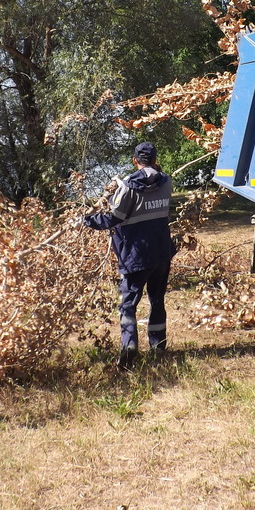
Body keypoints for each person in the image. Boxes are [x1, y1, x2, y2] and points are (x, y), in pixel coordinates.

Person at [84, 141, 176, 370]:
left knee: (128, 305)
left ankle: (129, 346)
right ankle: (158, 346)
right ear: (155, 159)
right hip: (162, 252)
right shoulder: (167, 183)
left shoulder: (128, 188)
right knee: (157, 300)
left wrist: (86, 219)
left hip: (136, 255)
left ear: (135, 160)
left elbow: (113, 219)